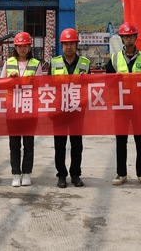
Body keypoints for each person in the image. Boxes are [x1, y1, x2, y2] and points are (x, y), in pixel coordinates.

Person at [106, 22, 141, 187]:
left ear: (136, 37)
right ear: (121, 38)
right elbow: (106, 82)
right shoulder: (114, 59)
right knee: (121, 140)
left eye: (131, 36)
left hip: (140, 106)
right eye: (125, 36)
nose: (128, 38)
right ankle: (121, 173)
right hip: (120, 106)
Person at [50, 28, 90, 188]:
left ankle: (75, 174)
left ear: (76, 44)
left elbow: (91, 87)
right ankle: (61, 175)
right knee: (59, 145)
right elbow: (47, 87)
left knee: (76, 145)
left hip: (77, 111)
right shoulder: (54, 63)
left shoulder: (85, 63)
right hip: (59, 111)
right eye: (65, 44)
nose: (68, 47)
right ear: (61, 46)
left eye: (71, 43)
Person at [2, 31, 40, 187]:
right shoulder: (8, 62)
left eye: (25, 46)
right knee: (14, 143)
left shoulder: (36, 64)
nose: (22, 49)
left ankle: (27, 173)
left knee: (29, 143)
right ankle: (16, 173)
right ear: (15, 47)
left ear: (29, 47)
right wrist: (9, 80)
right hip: (12, 108)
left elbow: (39, 87)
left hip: (30, 108)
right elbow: (1, 84)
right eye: (19, 46)